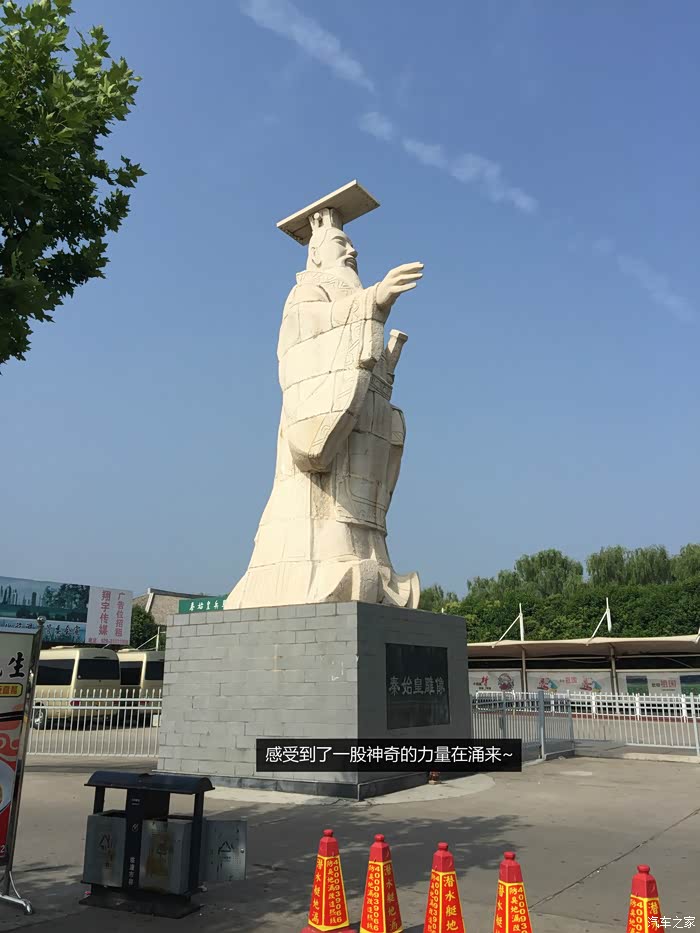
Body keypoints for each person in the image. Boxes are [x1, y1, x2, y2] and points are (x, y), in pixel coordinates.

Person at [225, 190, 423, 609]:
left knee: (359, 509)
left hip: (360, 439)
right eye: (339, 243)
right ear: (315, 255)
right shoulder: (305, 295)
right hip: (324, 446)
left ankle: (371, 565)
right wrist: (374, 299)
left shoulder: (348, 295)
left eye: (352, 246)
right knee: (323, 516)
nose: (351, 251)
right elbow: (308, 337)